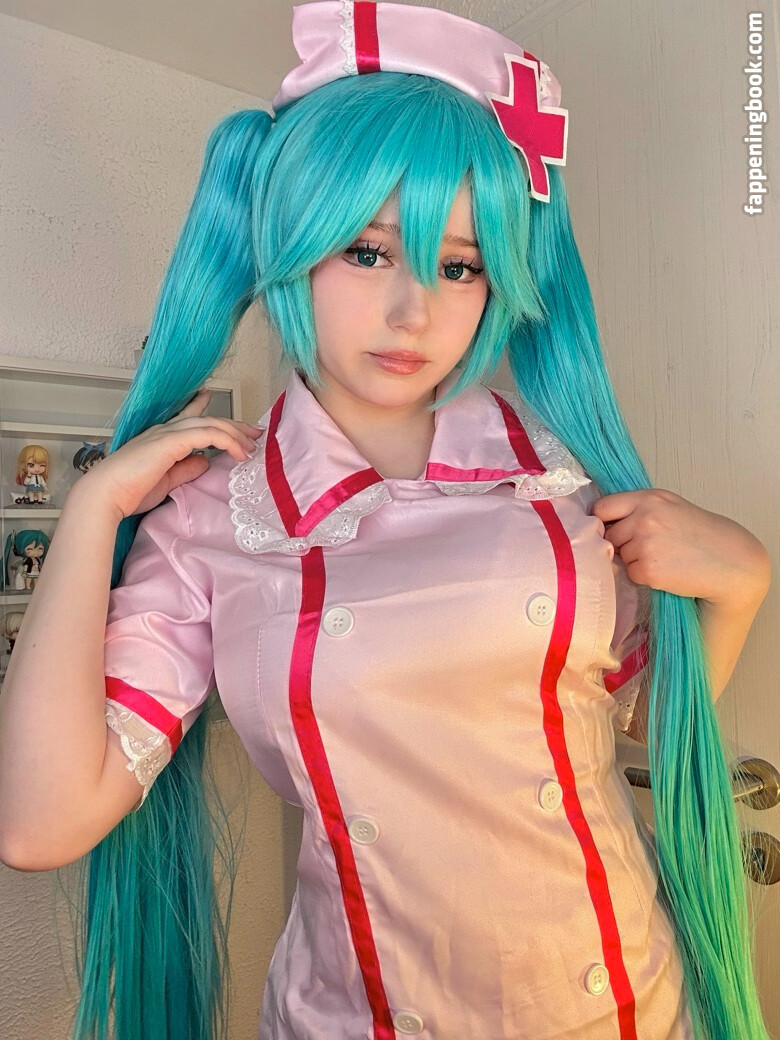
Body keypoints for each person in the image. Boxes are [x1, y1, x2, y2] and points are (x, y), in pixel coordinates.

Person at [0, 3, 772, 1039]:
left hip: (626, 999)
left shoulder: (554, 474)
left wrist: (741, 583)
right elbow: (40, 822)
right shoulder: (218, 517)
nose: (415, 313)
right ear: (292, 248)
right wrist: (93, 507)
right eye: (368, 253)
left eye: (458, 266)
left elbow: (630, 723)